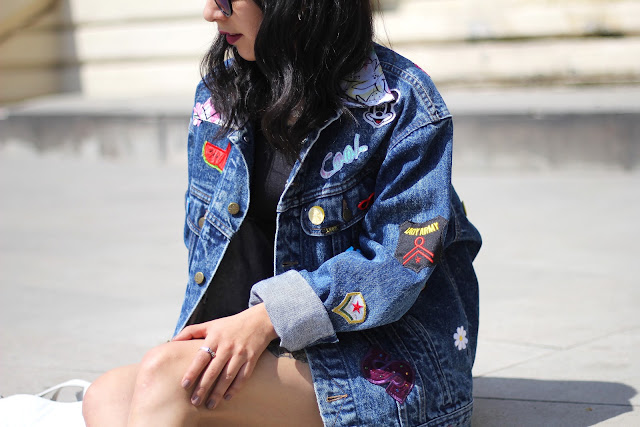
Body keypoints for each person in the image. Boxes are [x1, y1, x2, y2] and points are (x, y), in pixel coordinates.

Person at [82, 0, 482, 426]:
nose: (211, 13)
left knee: (165, 381)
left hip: (386, 359)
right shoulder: (221, 93)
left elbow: (399, 265)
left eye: (226, 0)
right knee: (107, 395)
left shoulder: (400, 103)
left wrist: (268, 317)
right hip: (274, 343)